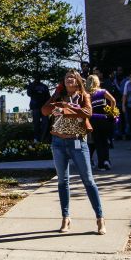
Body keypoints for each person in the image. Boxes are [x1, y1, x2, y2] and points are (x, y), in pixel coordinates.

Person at [42, 71, 106, 235]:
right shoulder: (58, 95)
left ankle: (100, 218)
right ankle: (66, 217)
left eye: (72, 77)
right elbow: (44, 110)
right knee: (62, 181)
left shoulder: (83, 95)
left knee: (88, 181)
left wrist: (65, 109)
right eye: (66, 78)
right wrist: (56, 98)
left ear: (78, 82)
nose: (69, 79)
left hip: (77, 142)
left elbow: (87, 113)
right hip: (58, 143)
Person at [86, 74, 117, 171]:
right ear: (97, 82)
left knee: (98, 142)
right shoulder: (103, 91)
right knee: (105, 141)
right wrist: (111, 111)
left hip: (94, 119)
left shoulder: (87, 94)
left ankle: (101, 164)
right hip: (105, 118)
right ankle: (106, 161)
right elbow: (113, 100)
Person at [26, 78, 52, 143]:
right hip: (35, 107)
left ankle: (43, 138)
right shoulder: (31, 85)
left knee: (45, 123)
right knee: (36, 124)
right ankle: (36, 138)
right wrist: (31, 86)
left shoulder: (44, 86)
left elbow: (48, 96)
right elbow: (29, 93)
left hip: (44, 107)